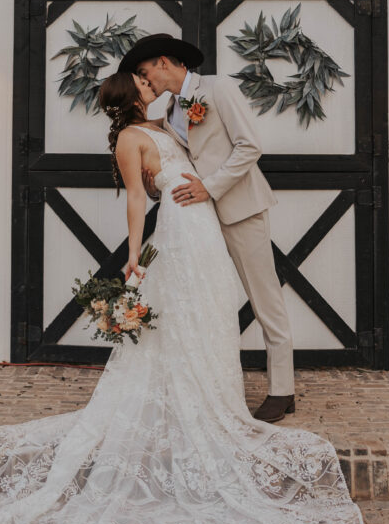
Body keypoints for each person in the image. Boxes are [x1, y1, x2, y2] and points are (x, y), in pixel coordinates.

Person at [0, 60, 364, 524]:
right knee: (188, 312)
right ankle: (198, 396)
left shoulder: (171, 121)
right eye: (145, 83)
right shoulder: (132, 136)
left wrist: (198, 178)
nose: (155, 86)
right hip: (182, 227)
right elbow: (136, 198)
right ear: (134, 92)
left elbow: (231, 149)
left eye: (153, 77)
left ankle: (224, 390)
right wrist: (131, 258)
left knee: (216, 310)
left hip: (209, 222)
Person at [121, 33, 295, 423]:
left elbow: (250, 146)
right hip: (200, 220)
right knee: (209, 300)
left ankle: (282, 390)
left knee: (264, 297)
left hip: (241, 209)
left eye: (146, 71)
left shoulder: (218, 88)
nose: (145, 80)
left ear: (164, 62)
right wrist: (155, 185)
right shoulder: (167, 112)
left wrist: (210, 187)